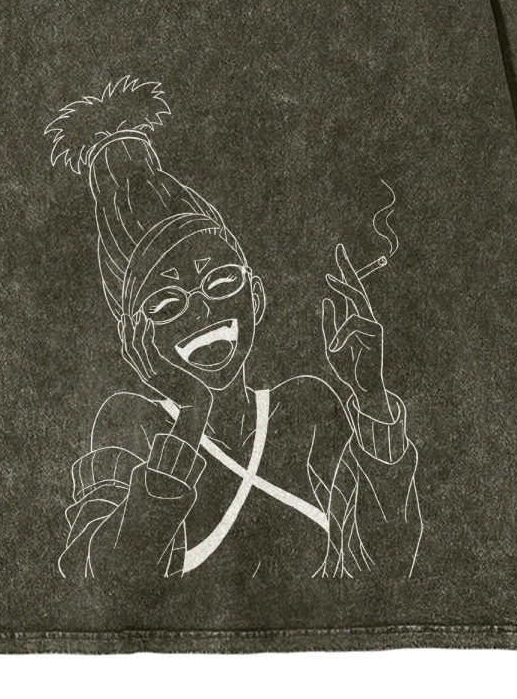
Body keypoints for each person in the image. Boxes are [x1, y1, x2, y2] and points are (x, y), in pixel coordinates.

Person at [46, 75, 422, 581]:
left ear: (255, 294)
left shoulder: (307, 406)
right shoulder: (130, 423)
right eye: (167, 303)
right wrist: (190, 413)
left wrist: (372, 399)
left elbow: (390, 567)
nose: (203, 313)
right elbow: (109, 580)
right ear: (136, 338)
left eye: (221, 281)